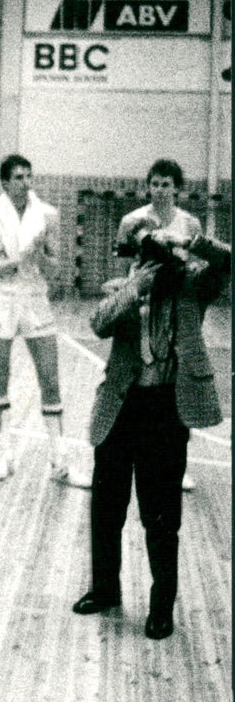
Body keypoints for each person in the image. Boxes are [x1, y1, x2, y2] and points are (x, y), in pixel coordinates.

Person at [72, 218, 229, 639]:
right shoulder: (124, 288)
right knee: (106, 506)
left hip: (166, 408)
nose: (152, 263)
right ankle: (105, 589)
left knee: (161, 515)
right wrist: (133, 288)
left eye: (158, 254)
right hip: (122, 406)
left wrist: (189, 242)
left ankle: (161, 608)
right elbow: (98, 324)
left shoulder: (192, 286)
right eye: (144, 255)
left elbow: (228, 261)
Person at [0, 155, 89, 486]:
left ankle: (60, 462)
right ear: (5, 182)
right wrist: (15, 260)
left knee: (50, 380)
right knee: (0, 378)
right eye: (19, 177)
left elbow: (58, 270)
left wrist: (39, 257)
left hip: (36, 300)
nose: (26, 182)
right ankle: (3, 455)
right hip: (1, 300)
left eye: (29, 175)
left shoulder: (48, 215)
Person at [116, 157, 203, 491]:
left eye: (166, 184)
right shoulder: (131, 221)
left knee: (177, 384)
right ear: (148, 185)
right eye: (154, 183)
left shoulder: (190, 224)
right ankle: (132, 452)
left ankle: (178, 464)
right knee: (134, 379)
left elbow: (196, 269)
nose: (160, 190)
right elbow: (123, 269)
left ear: (177, 188)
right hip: (140, 309)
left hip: (176, 313)